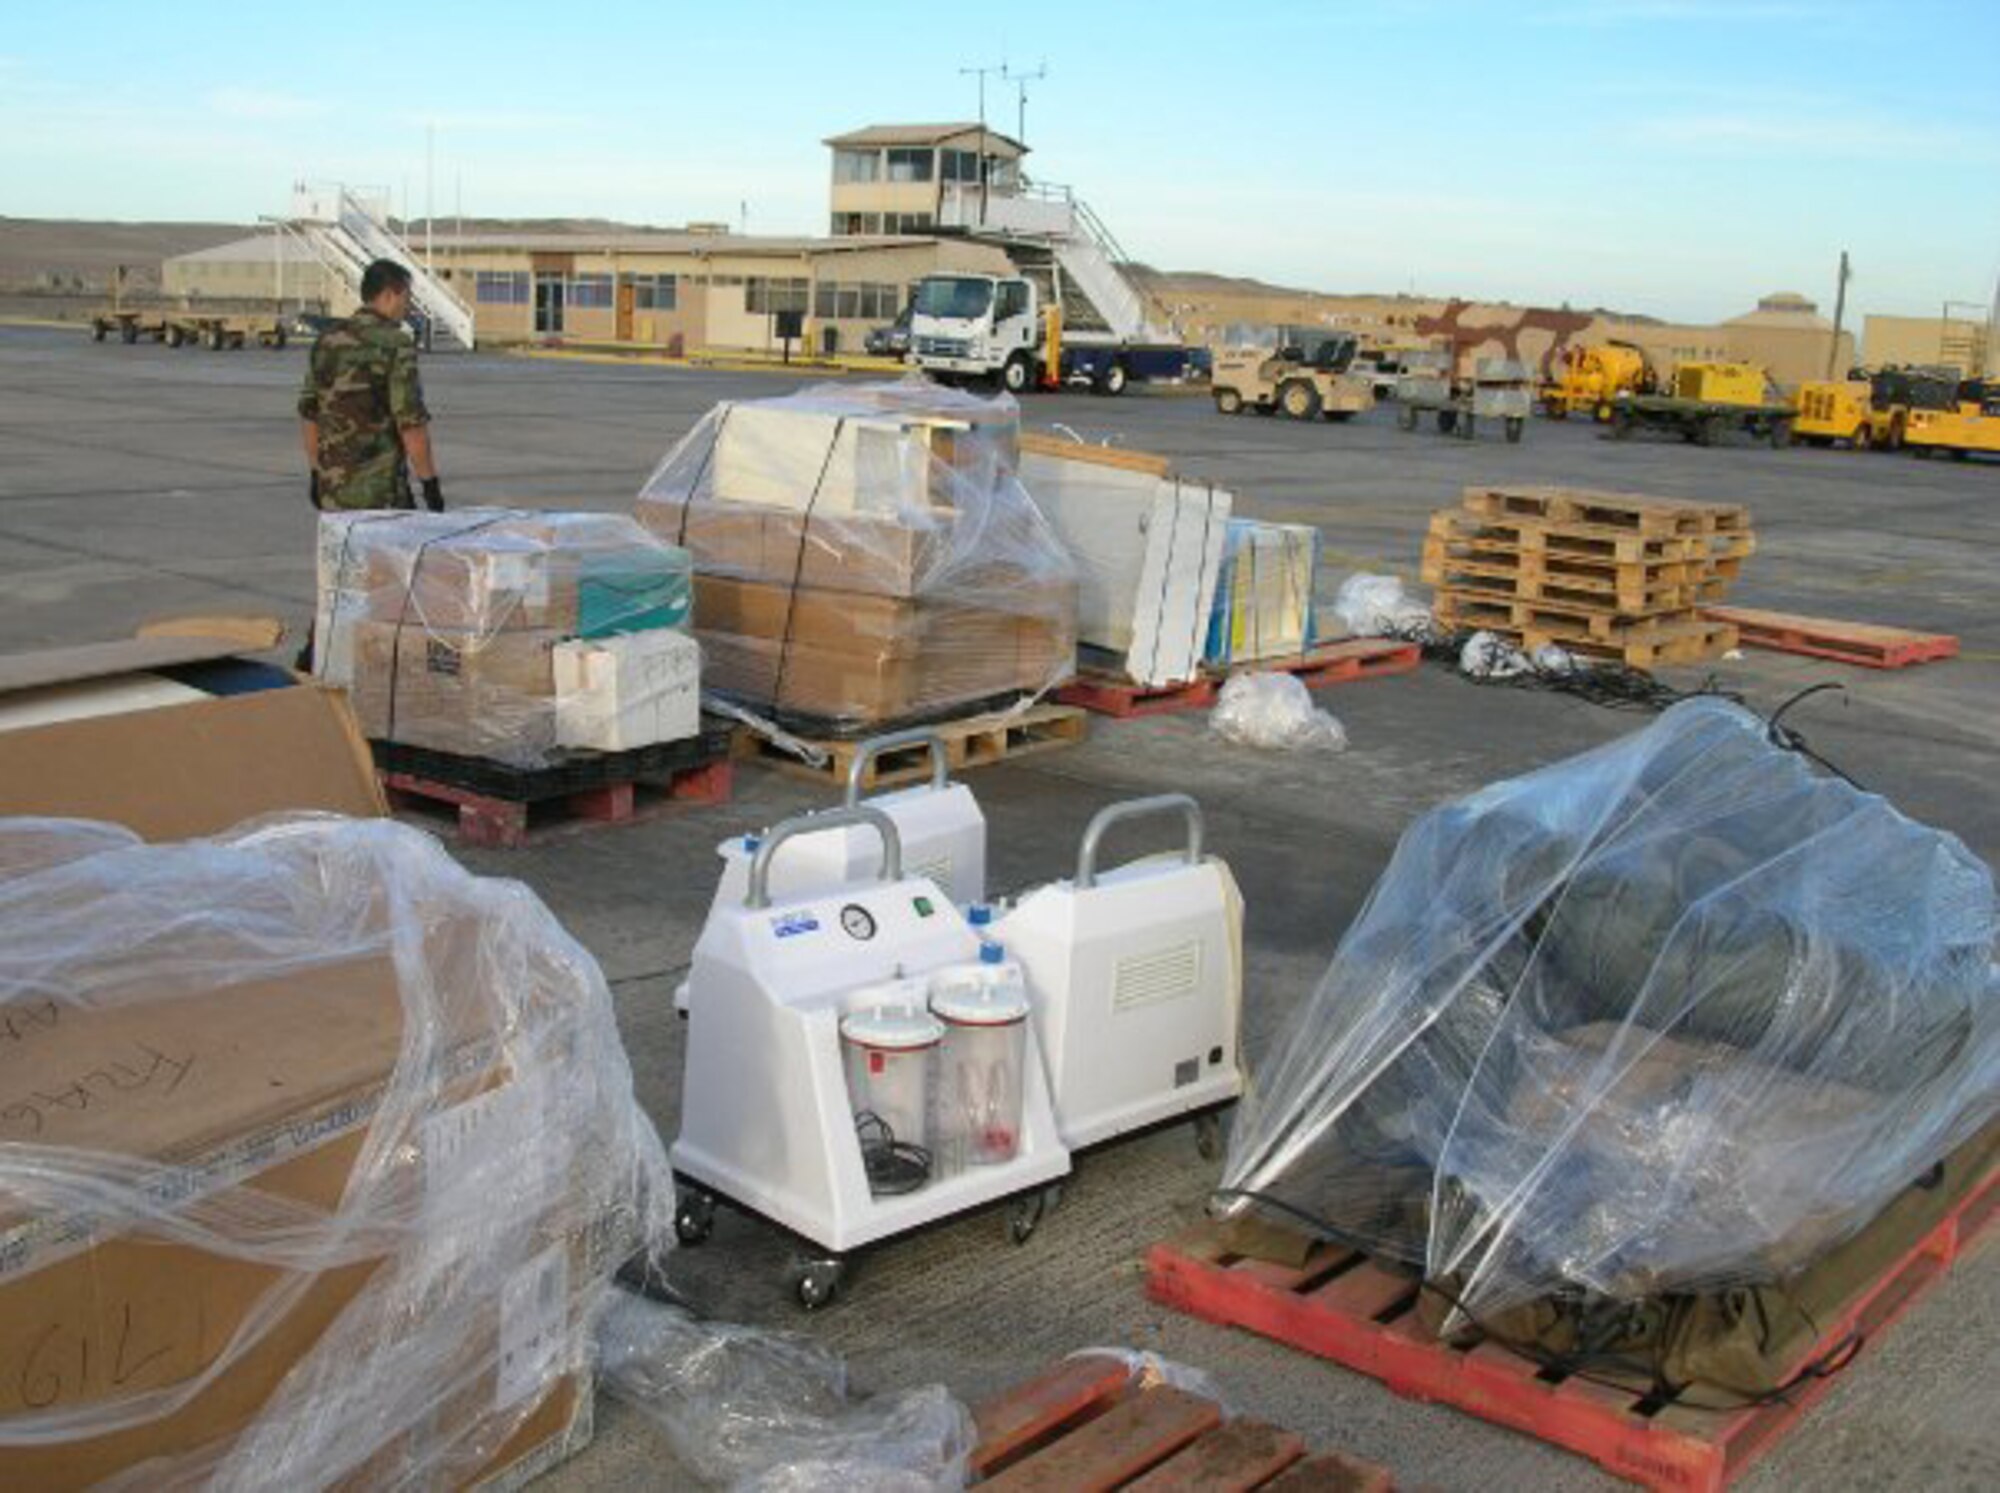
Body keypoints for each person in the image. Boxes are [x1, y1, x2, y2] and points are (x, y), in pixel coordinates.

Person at [298, 258, 445, 511]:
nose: (407, 306)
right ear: (389, 295)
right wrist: (430, 485)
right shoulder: (395, 344)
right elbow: (410, 423)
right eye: (406, 297)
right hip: (381, 495)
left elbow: (309, 414)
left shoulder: (326, 341)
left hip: (333, 493)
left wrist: (315, 473)